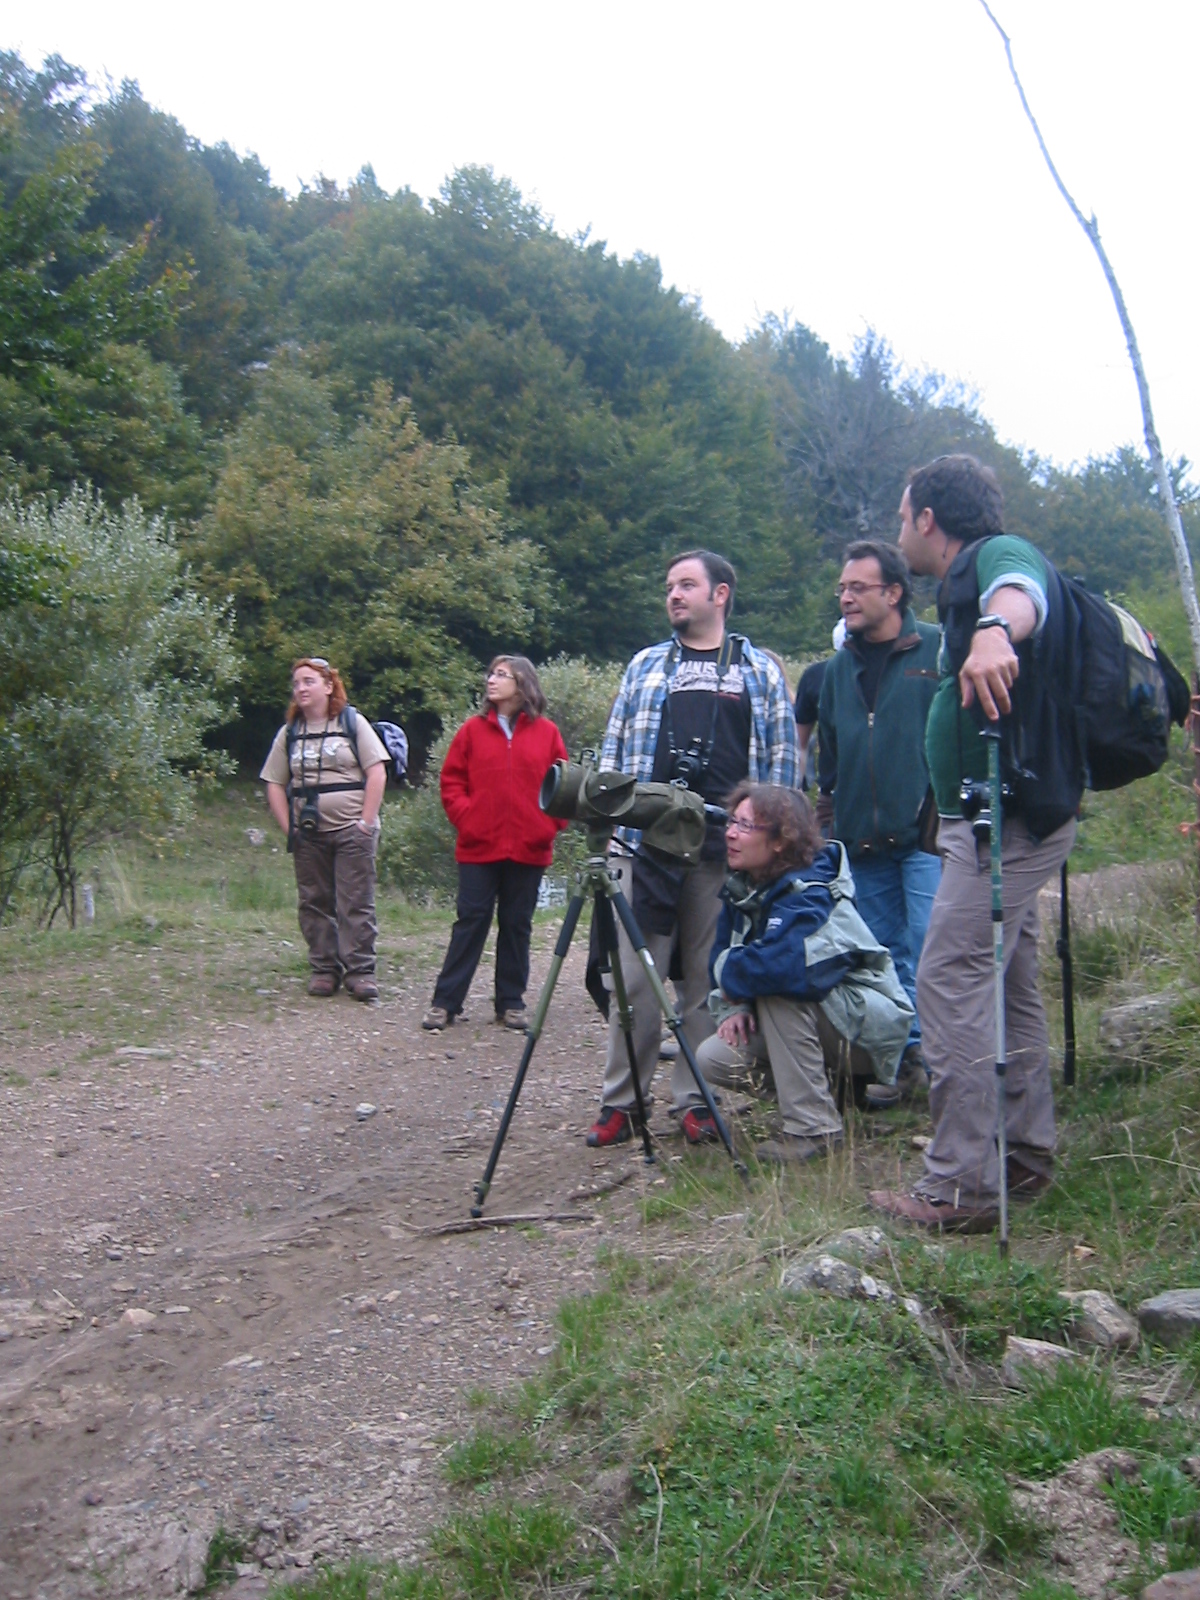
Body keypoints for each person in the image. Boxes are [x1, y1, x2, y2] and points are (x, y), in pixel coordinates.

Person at [869, 454, 1079, 1232]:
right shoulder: (962, 586)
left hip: (1008, 819)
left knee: (950, 976)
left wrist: (995, 628)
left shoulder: (997, 559)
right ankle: (1023, 1153)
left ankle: (960, 1186)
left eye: (902, 516)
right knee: (1009, 982)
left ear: (928, 519)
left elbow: (1021, 587)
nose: (901, 529)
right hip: (998, 816)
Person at [586, 549, 798, 1148]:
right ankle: (622, 1103)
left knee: (706, 980)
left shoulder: (757, 672)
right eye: (669, 586)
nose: (674, 595)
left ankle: (696, 1099)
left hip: (722, 851)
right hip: (644, 843)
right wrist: (606, 825)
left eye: (687, 584)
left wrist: (772, 845)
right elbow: (613, 748)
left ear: (720, 594)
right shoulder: (646, 665)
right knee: (633, 979)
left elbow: (782, 763)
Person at [697, 782, 913, 1162]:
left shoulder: (812, 890)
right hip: (830, 1023)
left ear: (781, 841)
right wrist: (736, 1007)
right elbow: (723, 956)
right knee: (715, 1057)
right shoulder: (744, 886)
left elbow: (784, 969)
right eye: (732, 821)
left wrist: (736, 976)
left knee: (781, 990)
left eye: (746, 826)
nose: (730, 833)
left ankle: (813, 1130)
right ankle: (833, 1094)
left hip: (869, 1029)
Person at [817, 539, 941, 1108]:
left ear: (893, 593)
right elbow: (831, 762)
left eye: (857, 587)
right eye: (842, 587)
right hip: (860, 845)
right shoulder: (835, 671)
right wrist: (827, 831)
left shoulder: (936, 649)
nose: (845, 597)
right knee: (884, 958)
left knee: (934, 949)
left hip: (927, 838)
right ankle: (907, 1062)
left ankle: (952, 1067)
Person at [422, 656, 568, 1032]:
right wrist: (468, 819)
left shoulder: (547, 733)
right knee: (470, 921)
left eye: (502, 675)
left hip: (529, 847)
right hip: (478, 846)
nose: (491, 680)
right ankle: (445, 1003)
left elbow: (565, 787)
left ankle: (511, 1003)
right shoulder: (471, 731)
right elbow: (451, 783)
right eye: (491, 673)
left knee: (517, 924)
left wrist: (547, 826)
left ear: (523, 685)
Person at [261, 657, 388, 1000]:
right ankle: (324, 969)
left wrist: (365, 822)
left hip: (352, 830)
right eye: (297, 683)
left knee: (355, 901)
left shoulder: (352, 722)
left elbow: (377, 772)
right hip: (309, 834)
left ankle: (360, 972)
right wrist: (291, 829)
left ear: (328, 686)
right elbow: (273, 782)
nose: (300, 688)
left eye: (308, 681)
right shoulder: (290, 732)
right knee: (314, 901)